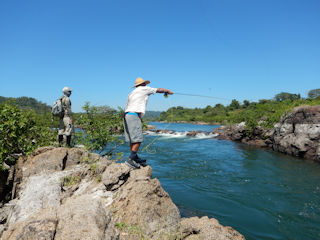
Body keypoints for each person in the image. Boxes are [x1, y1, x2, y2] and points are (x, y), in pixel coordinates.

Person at [124, 77, 173, 169]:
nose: (146, 85)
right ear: (142, 84)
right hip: (133, 115)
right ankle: (130, 160)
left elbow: (128, 105)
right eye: (145, 84)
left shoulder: (131, 93)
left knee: (132, 139)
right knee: (138, 139)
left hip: (127, 115)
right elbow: (158, 90)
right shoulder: (143, 89)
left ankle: (135, 157)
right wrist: (168, 91)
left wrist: (139, 118)